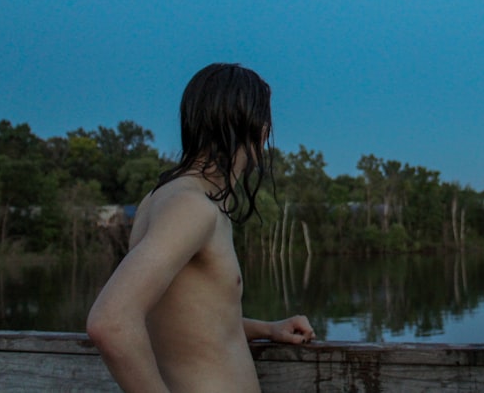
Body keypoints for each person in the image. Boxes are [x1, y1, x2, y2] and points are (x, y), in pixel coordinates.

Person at [87, 63, 315, 393]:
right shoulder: (191, 208)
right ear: (256, 128)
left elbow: (184, 325)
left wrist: (267, 328)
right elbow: (109, 322)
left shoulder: (161, 198)